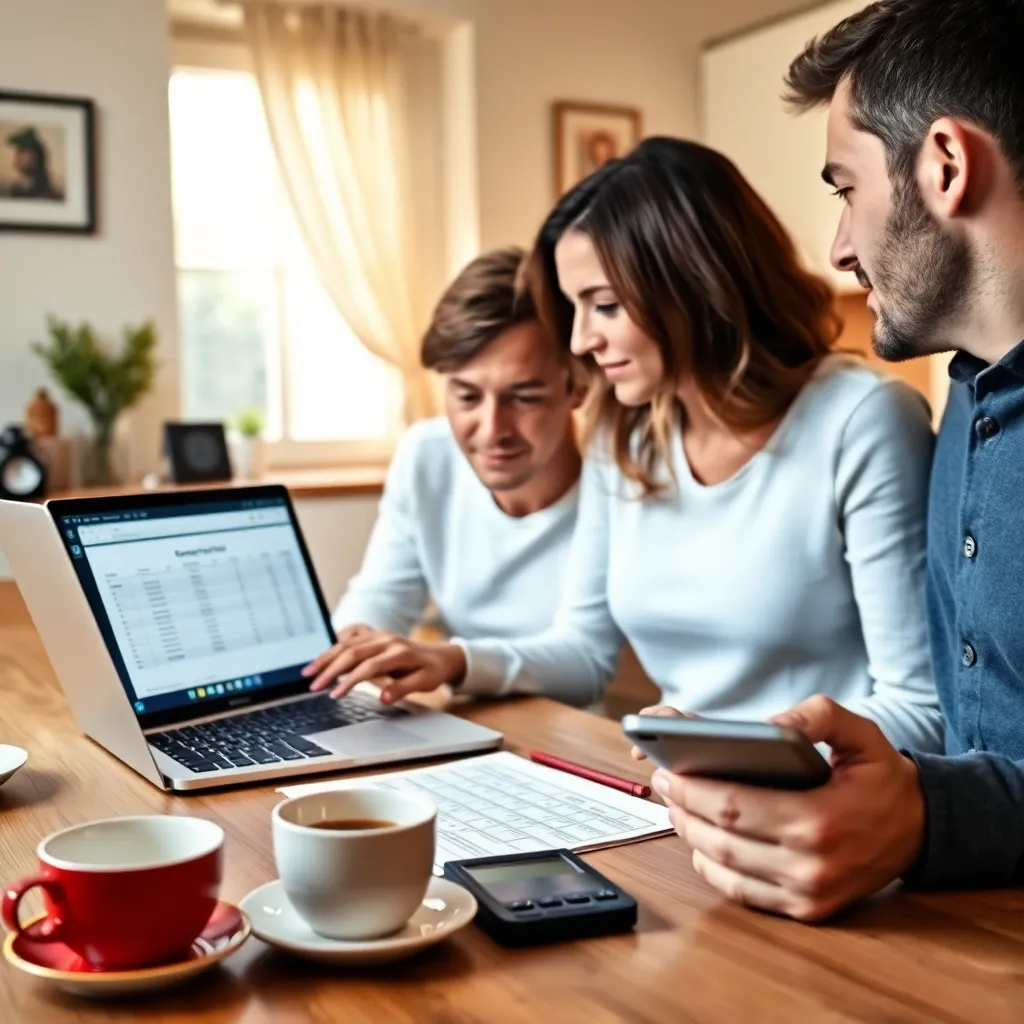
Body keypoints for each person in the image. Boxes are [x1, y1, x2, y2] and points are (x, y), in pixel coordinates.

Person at [320, 135, 943, 754]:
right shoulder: (631, 434)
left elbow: (920, 707)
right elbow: (583, 650)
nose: (580, 342)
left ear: (696, 285)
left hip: (825, 799)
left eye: (606, 305)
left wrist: (743, 749)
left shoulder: (862, 421)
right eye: (575, 309)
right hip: (677, 785)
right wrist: (454, 662)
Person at [650, 0, 1024, 923]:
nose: (840, 246)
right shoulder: (968, 397)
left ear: (945, 165)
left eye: (845, 188)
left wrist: (928, 816)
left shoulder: (881, 413)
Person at [303, 247, 583, 701]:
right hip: (472, 717)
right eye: (467, 397)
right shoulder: (426, 454)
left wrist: (453, 659)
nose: (493, 431)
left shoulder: (619, 482)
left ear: (579, 387)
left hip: (582, 733)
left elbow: (585, 660)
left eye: (525, 397)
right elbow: (383, 593)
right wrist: (354, 643)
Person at [4, 127, 60, 199]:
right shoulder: (15, 191)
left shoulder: (48, 195)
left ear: (36, 157)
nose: (18, 156)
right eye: (18, 151)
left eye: (23, 151)